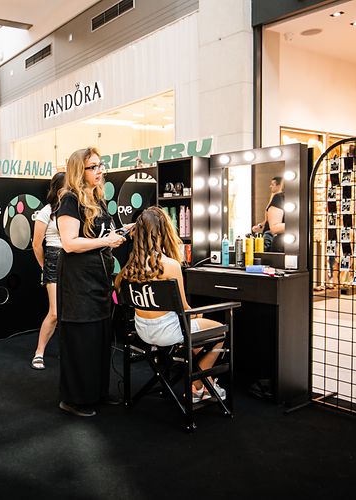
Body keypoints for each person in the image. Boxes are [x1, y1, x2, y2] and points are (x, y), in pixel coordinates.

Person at [115, 207, 226, 403]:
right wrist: (198, 315)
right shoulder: (170, 266)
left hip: (142, 331)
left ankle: (203, 384)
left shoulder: (128, 269)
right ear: (163, 232)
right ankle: (199, 385)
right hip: (169, 333)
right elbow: (184, 309)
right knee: (218, 331)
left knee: (198, 335)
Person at [56, 147, 126, 417]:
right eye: (93, 167)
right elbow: (70, 243)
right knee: (81, 339)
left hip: (98, 279)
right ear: (79, 170)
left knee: (100, 336)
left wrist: (120, 234)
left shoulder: (97, 200)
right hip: (78, 281)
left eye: (100, 165)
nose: (100, 171)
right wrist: (105, 241)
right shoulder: (70, 201)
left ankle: (97, 391)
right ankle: (74, 398)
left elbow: (101, 235)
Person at [30, 172, 65, 370]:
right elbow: (36, 244)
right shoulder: (46, 211)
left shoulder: (75, 209)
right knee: (55, 313)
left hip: (74, 261)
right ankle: (39, 352)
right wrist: (45, 266)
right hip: (54, 259)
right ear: (60, 190)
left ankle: (69, 351)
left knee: (72, 312)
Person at [251, 176, 285, 251]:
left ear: (279, 185)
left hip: (272, 235)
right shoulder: (275, 198)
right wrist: (260, 226)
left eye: (273, 184)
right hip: (268, 232)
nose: (270, 186)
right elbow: (268, 220)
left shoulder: (279, 198)